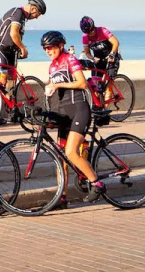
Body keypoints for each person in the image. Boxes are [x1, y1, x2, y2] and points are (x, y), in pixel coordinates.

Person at [41, 31, 106, 207]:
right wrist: (49, 88)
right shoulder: (52, 66)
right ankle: (61, 198)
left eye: (50, 47)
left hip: (79, 109)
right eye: (45, 48)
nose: (48, 51)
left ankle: (97, 184)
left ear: (60, 46)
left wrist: (57, 85)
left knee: (71, 152)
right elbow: (53, 86)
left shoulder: (70, 59)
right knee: (61, 157)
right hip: (64, 113)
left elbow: (81, 83)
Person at [0, 0, 46, 124]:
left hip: (10, 51)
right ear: (33, 8)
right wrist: (23, 48)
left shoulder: (23, 18)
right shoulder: (17, 12)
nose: (37, 17)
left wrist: (18, 49)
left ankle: (11, 111)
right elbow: (13, 33)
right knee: (1, 80)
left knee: (11, 81)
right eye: (37, 14)